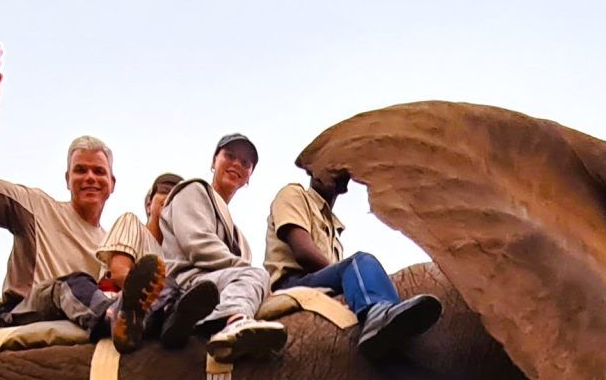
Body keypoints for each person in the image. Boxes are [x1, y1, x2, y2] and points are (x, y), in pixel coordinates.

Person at [0, 44, 161, 335]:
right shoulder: (36, 207)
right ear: (67, 178)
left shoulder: (109, 244)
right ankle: (114, 319)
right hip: (27, 312)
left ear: (112, 184)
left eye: (99, 171)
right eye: (81, 170)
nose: (90, 177)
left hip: (79, 318)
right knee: (70, 284)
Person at [266, 166, 442, 360]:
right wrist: (347, 276)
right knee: (359, 262)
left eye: (338, 171)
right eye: (326, 167)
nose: (331, 173)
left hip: (320, 287)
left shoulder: (334, 226)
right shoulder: (294, 194)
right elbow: (303, 252)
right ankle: (376, 312)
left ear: (346, 183)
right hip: (293, 285)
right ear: (312, 171)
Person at [155, 133, 286, 363]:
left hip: (223, 282)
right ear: (213, 161)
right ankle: (233, 322)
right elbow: (198, 244)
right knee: (256, 274)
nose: (237, 163)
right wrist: (255, 275)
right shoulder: (193, 189)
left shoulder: (240, 238)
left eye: (245, 162)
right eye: (230, 155)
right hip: (189, 283)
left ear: (249, 176)